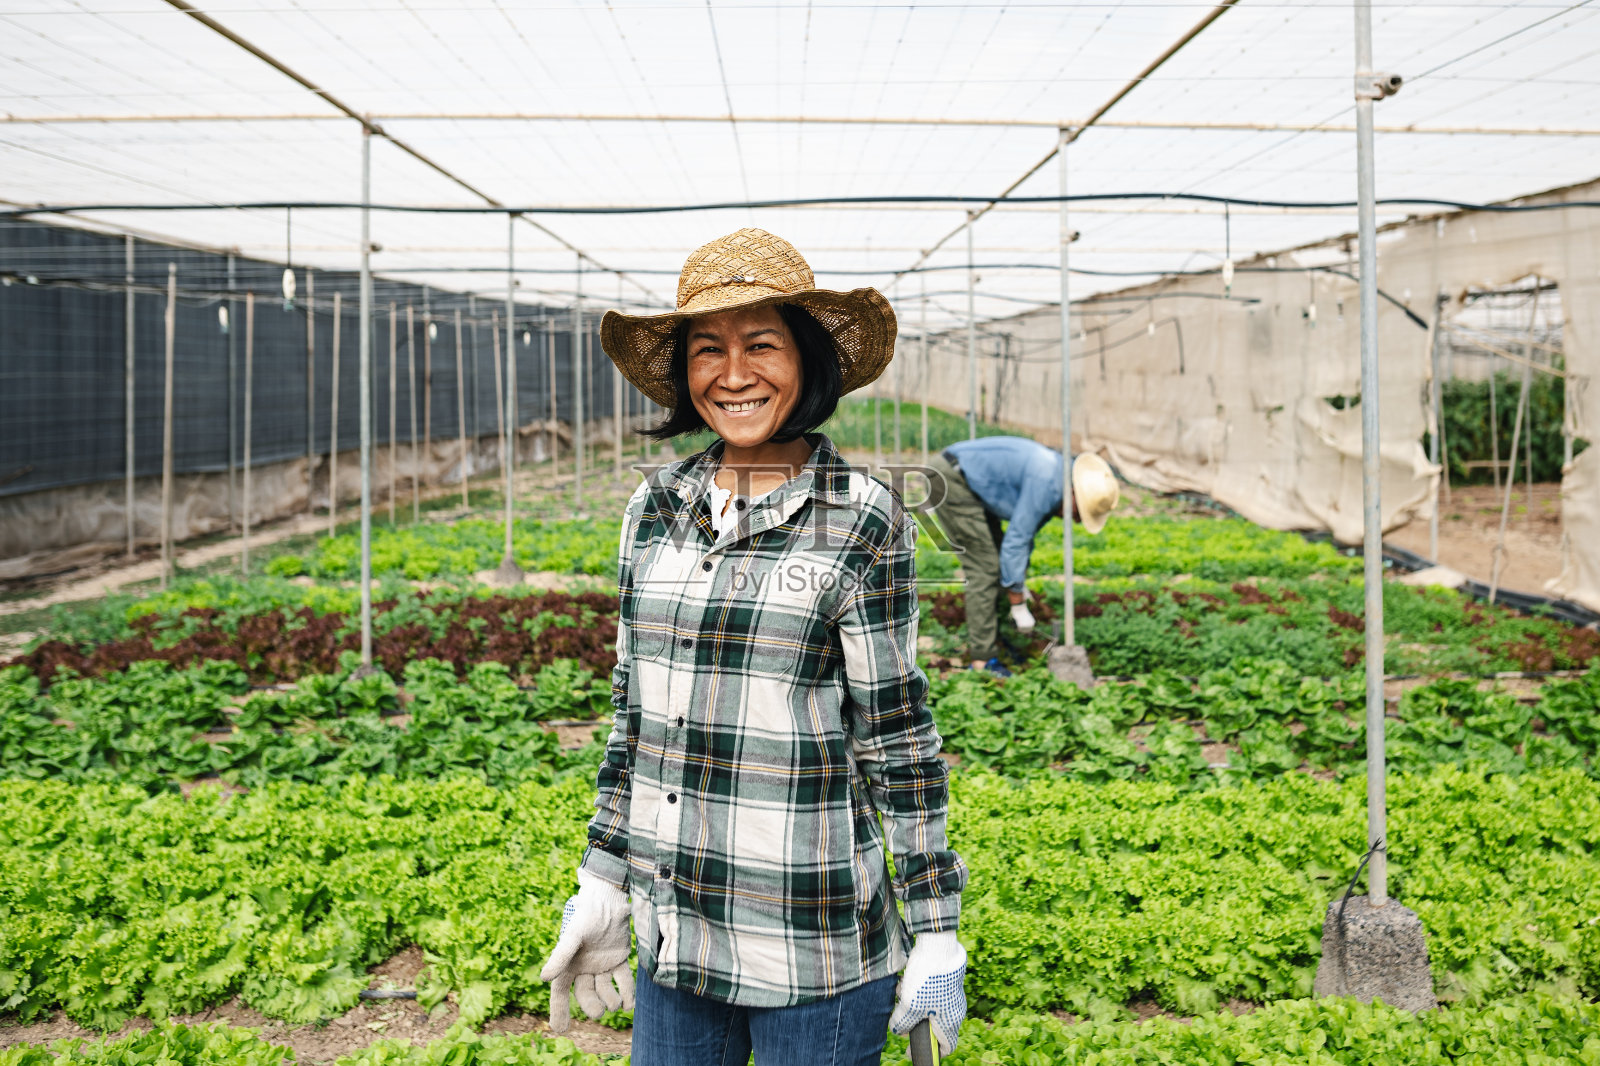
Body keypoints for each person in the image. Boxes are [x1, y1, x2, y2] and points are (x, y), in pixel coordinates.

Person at [539, 228, 968, 1066]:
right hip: (678, 941)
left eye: (761, 344)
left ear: (807, 359)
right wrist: (603, 876)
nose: (733, 375)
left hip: (814, 950)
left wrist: (937, 928)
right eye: (709, 350)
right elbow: (635, 715)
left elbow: (898, 735)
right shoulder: (654, 509)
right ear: (683, 373)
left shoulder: (864, 517)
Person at [928, 436, 1118, 676]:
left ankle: (992, 639)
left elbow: (1024, 540)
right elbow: (1016, 541)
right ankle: (982, 661)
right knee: (985, 568)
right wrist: (1017, 602)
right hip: (951, 479)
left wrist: (1018, 582)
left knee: (996, 562)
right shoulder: (1047, 484)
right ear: (1074, 495)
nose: (1075, 520)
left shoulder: (1057, 481)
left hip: (969, 482)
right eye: (1079, 513)